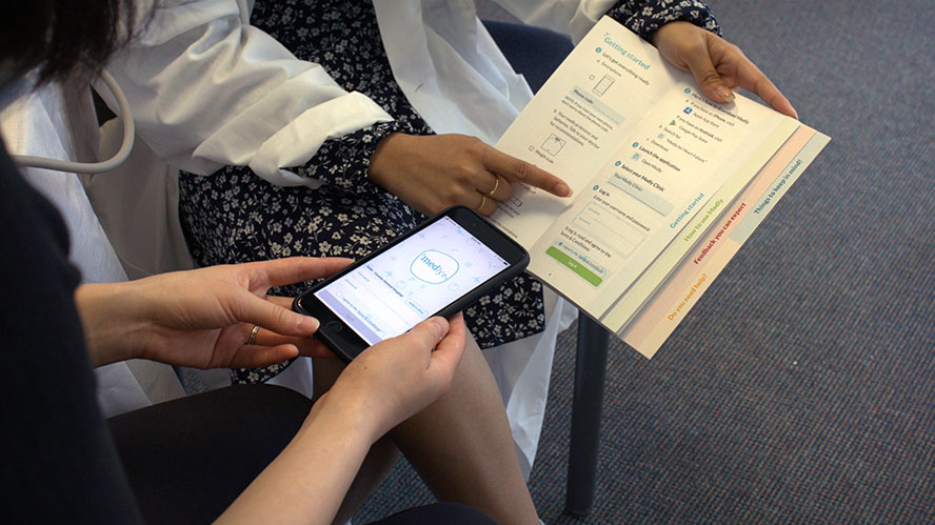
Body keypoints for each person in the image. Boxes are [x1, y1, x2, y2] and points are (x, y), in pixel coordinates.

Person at [99, 0, 797, 476]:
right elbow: (176, 48)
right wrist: (376, 149)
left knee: (531, 229)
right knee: (375, 298)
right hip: (246, 116)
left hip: (420, 61)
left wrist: (655, 15)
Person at [0, 2, 532, 524]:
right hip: (240, 118)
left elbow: (23, 340)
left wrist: (134, 317)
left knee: (274, 419)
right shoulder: (20, 235)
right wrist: (355, 411)